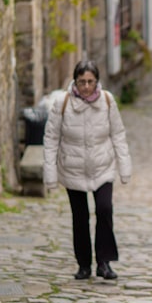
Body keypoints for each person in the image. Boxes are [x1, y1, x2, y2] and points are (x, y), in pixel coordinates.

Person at [43, 60, 132, 281]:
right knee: (80, 217)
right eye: (81, 81)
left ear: (97, 82)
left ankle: (104, 262)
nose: (86, 86)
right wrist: (50, 174)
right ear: (75, 81)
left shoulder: (108, 101)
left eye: (90, 81)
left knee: (104, 210)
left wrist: (124, 167)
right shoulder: (62, 103)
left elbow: (118, 134)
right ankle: (83, 264)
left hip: (102, 166)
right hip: (73, 168)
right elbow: (51, 138)